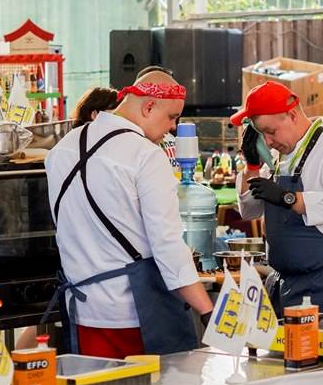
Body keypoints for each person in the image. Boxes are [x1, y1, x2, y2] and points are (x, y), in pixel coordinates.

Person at [44, 71, 213, 358]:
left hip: (82, 311)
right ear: (149, 107)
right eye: (172, 117)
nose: (172, 128)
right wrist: (207, 310)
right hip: (136, 316)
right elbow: (168, 246)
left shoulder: (62, 149)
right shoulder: (146, 156)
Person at [233, 81, 323, 314]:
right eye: (261, 134)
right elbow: (249, 210)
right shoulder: (280, 156)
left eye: (270, 131)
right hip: (282, 285)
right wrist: (252, 166)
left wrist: (290, 199)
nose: (268, 141)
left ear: (292, 115)